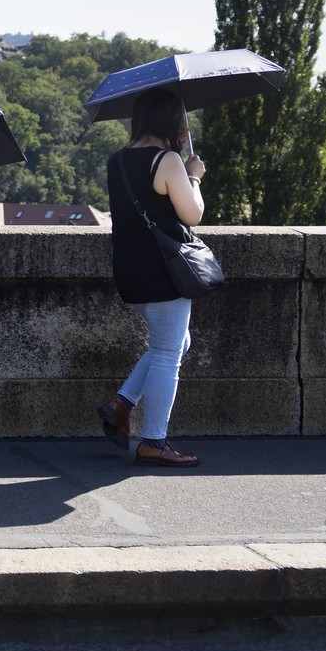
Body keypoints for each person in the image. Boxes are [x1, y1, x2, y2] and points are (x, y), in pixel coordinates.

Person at [97, 88, 206, 468]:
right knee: (167, 355)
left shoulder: (118, 161)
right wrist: (193, 177)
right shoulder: (169, 160)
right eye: (181, 118)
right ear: (170, 121)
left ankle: (123, 402)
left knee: (177, 342)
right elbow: (192, 215)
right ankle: (154, 441)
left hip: (131, 270)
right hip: (165, 271)